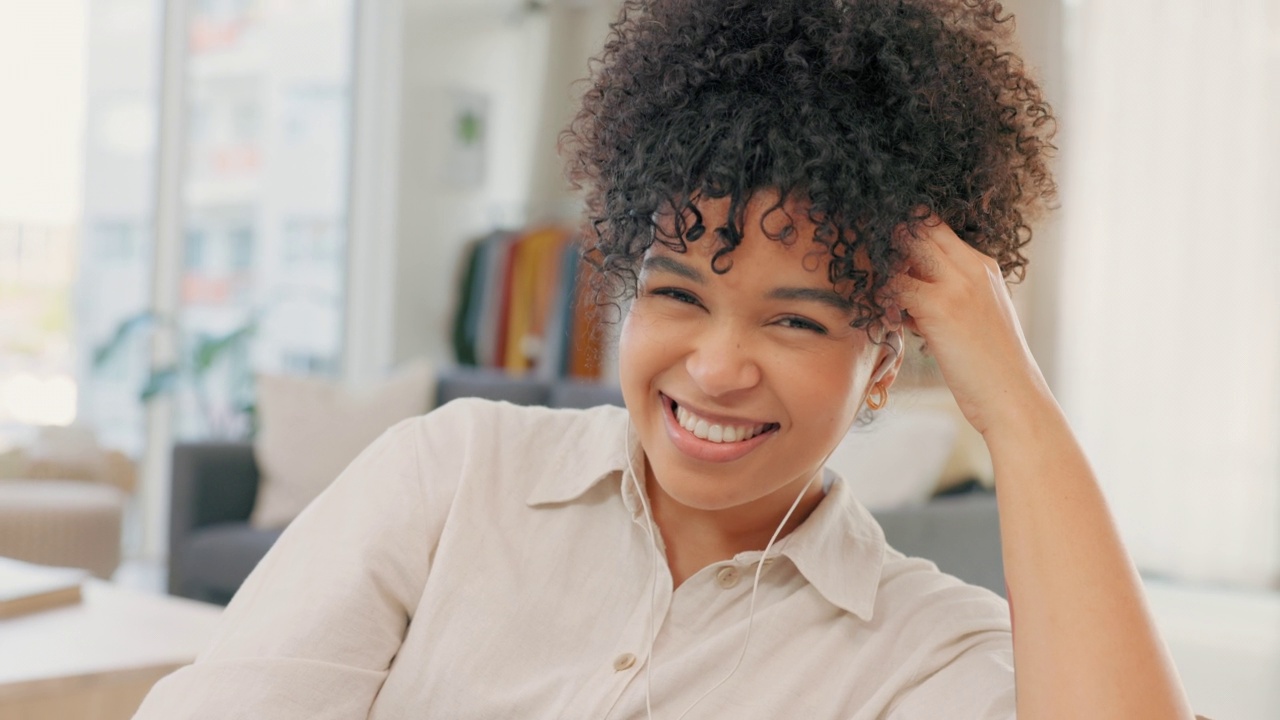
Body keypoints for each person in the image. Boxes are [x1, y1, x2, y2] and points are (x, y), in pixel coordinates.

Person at [135, 0, 1196, 718]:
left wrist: (1015, 406)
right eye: (678, 295)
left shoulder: (923, 646)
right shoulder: (454, 477)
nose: (718, 366)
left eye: (794, 321)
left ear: (884, 363)